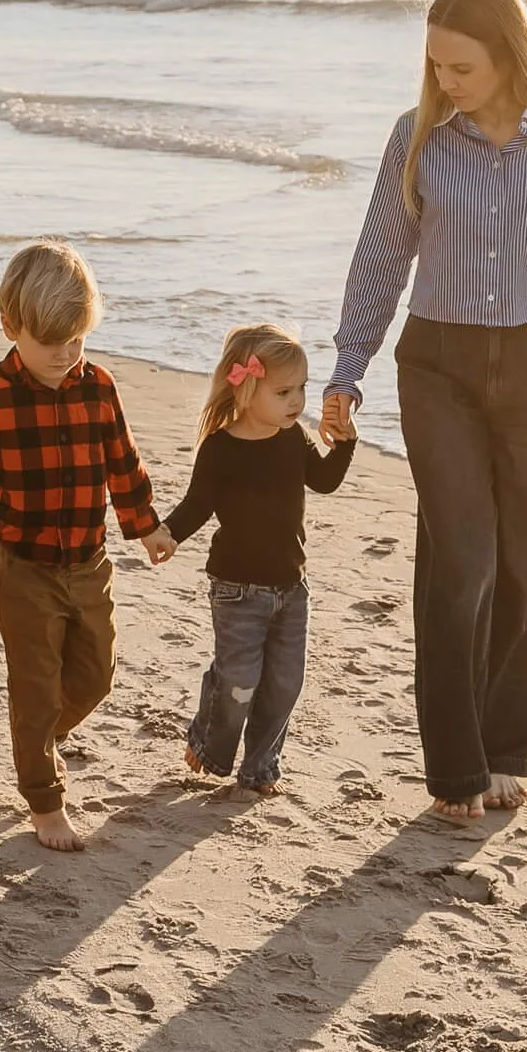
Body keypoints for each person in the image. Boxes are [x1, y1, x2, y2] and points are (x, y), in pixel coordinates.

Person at [323, 0, 527, 822]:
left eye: (460, 66)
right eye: (435, 64)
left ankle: (508, 750)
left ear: (509, 54)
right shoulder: (417, 138)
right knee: (461, 556)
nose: (445, 81)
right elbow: (380, 258)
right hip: (439, 365)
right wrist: (349, 366)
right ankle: (455, 765)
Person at [0, 240, 170, 851]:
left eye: (76, 339)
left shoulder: (99, 386)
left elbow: (123, 464)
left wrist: (146, 526)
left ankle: (39, 739)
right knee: (36, 689)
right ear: (10, 326)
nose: (66, 354)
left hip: (90, 564)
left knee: (95, 677)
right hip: (23, 570)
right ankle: (45, 801)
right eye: (51, 342)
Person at [161, 324, 355, 797]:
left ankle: (260, 767)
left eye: (302, 388)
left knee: (285, 684)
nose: (297, 401)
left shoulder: (294, 438)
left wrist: (345, 443)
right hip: (236, 590)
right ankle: (207, 741)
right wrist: (167, 534)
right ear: (246, 389)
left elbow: (324, 481)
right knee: (238, 682)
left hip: (292, 588)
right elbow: (197, 504)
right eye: (284, 392)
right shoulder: (220, 448)